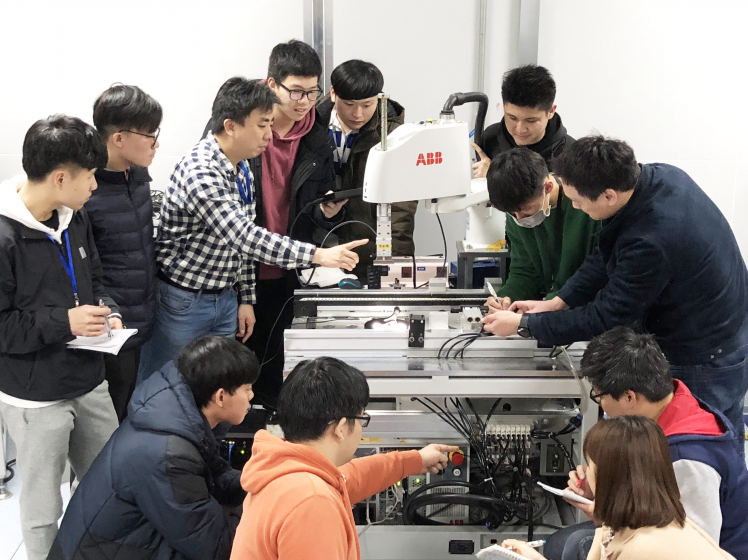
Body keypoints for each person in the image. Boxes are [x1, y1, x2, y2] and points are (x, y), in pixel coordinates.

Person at [482, 136, 748, 453]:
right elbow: (605, 252)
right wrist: (558, 301)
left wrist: (525, 325)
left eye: (579, 202)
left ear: (608, 196)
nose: (575, 207)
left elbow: (605, 315)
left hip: (706, 354)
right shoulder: (659, 177)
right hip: (718, 328)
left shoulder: (652, 239)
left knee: (699, 451)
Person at [137, 77, 366, 384]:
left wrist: (245, 298)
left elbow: (243, 242)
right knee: (167, 387)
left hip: (225, 298)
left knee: (216, 390)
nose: (269, 135)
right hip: (185, 302)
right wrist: (319, 255)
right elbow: (244, 235)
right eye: (262, 125)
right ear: (231, 126)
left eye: (270, 124)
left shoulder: (241, 166)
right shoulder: (201, 170)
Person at [0, 115, 120, 560]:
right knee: (42, 507)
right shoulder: (5, 236)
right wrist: (65, 322)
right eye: (90, 175)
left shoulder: (74, 217)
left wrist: (108, 311)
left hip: (89, 380)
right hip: (35, 396)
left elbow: (95, 279)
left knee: (107, 485)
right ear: (61, 177)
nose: (95, 185)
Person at [543, 327, 748, 560]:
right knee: (561, 543)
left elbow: (687, 549)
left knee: (571, 547)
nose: (602, 407)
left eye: (599, 397)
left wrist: (606, 517)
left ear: (630, 397)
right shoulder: (672, 402)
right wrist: (601, 483)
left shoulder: (688, 460)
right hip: (653, 532)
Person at [48, 336, 257, 560]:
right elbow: (218, 548)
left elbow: (215, 475)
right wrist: (261, 502)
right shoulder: (169, 454)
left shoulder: (178, 411)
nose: (251, 396)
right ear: (221, 396)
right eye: (247, 389)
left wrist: (254, 482)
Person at [229, 357, 458, 560]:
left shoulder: (286, 472)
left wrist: (416, 460)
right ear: (339, 428)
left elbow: (354, 477)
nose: (360, 429)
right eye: (361, 419)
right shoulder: (312, 501)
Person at [502, 416, 735, 560]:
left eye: (591, 465)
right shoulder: (652, 522)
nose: (585, 472)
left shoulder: (641, 550)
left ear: (609, 477)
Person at [87, 84, 162, 421]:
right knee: (108, 418)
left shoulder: (137, 174)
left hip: (144, 317)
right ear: (118, 138)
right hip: (110, 327)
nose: (156, 144)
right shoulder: (86, 189)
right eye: (149, 135)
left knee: (133, 407)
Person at [316, 59, 418, 279]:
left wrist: (397, 266)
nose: (358, 114)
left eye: (367, 105)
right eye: (349, 104)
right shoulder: (311, 125)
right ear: (333, 94)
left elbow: (402, 207)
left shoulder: (392, 134)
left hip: (368, 251)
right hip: (318, 251)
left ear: (379, 98)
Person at [484, 148, 598, 311]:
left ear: (548, 187)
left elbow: (595, 276)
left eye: (526, 210)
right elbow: (525, 271)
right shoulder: (516, 212)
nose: (519, 219)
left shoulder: (587, 208)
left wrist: (548, 306)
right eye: (512, 213)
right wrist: (506, 298)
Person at [472, 64, 574, 178]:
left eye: (531, 120)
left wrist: (493, 177)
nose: (520, 129)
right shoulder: (491, 138)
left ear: (551, 111)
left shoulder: (571, 156)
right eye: (512, 118)